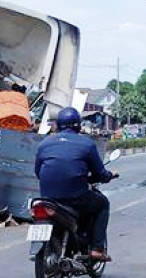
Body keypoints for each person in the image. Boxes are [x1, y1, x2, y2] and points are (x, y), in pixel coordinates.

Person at [35, 107, 116, 262]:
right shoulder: (87, 144)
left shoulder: (44, 144)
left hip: (48, 199)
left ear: (58, 125)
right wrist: (110, 175)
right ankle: (97, 249)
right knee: (103, 203)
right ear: (78, 125)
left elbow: (38, 172)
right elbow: (100, 174)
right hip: (75, 199)